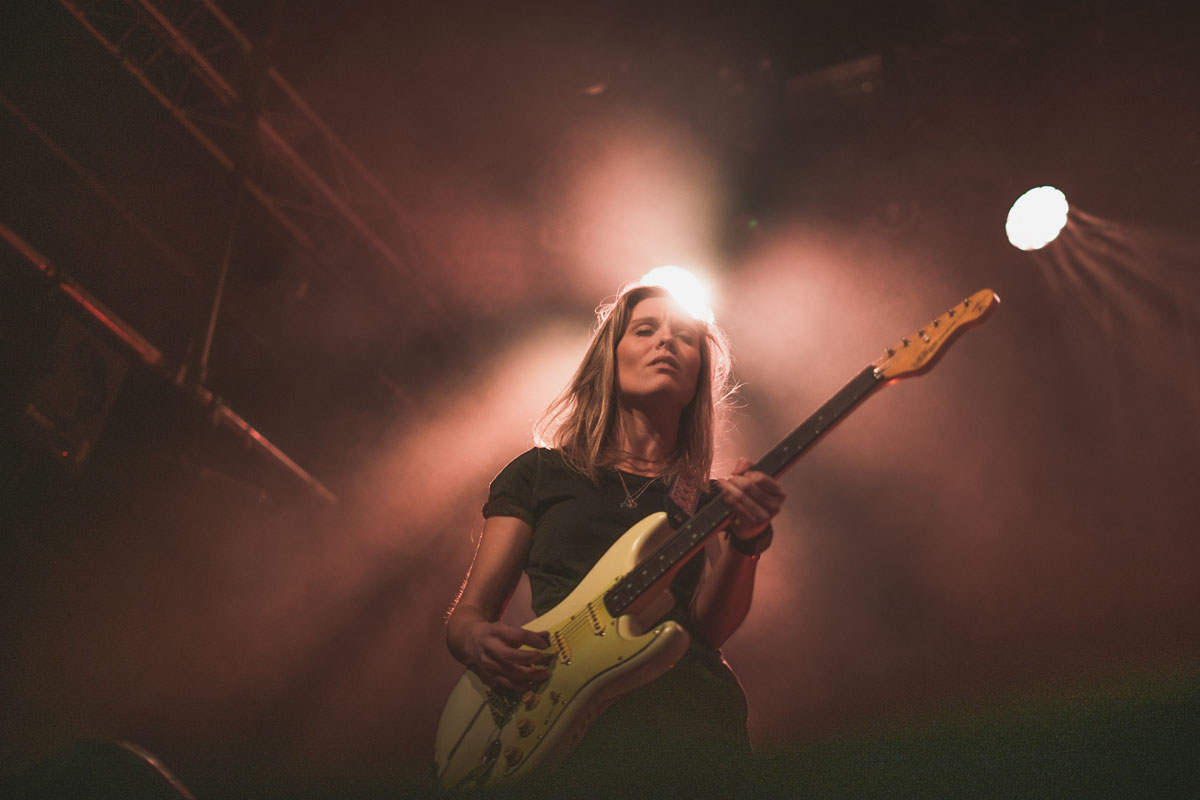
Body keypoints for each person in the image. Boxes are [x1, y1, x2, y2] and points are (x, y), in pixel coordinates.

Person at [445, 282, 785, 797]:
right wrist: (477, 640)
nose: (666, 343)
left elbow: (708, 632)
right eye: (645, 330)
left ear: (698, 376)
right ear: (609, 359)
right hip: (562, 718)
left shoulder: (708, 499)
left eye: (686, 338)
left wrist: (747, 541)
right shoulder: (539, 474)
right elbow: (469, 614)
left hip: (688, 726)